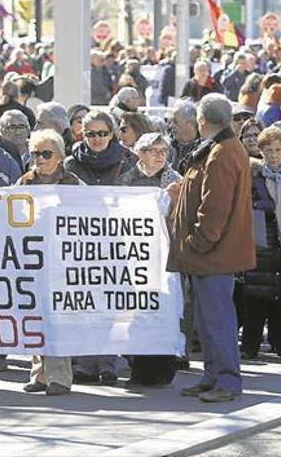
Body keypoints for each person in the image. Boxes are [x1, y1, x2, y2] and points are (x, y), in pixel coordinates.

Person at [168, 93, 256, 403]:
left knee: (217, 321)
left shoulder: (222, 153)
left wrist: (195, 243)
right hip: (210, 255)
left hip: (212, 255)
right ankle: (213, 375)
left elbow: (214, 210)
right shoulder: (223, 149)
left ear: (202, 121)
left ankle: (227, 381)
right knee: (208, 321)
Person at [64, 110, 137, 384]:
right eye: (90, 134)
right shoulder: (70, 164)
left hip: (118, 242)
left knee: (112, 304)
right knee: (84, 303)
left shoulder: (128, 161)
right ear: (81, 134)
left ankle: (108, 362)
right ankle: (84, 363)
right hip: (80, 244)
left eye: (102, 133)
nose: (96, 139)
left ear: (112, 134)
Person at [17, 130, 82, 396]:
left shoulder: (73, 184)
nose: (40, 159)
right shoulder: (24, 183)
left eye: (46, 154)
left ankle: (59, 378)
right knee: (35, 317)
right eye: (35, 153)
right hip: (32, 259)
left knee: (58, 320)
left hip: (61, 261)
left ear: (60, 156)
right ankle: (39, 374)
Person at [116, 132, 182, 386]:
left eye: (163, 151)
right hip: (135, 257)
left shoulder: (174, 181)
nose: (159, 156)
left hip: (165, 257)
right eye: (153, 150)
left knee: (163, 311)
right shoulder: (125, 181)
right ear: (140, 154)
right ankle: (139, 369)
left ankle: (164, 367)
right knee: (138, 312)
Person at [241, 127, 281, 359]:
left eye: (278, 150)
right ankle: (250, 345)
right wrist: (265, 207)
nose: (273, 155)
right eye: (268, 150)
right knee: (255, 296)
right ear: (260, 151)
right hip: (261, 241)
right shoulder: (253, 175)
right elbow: (247, 204)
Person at [168, 100, 201, 174]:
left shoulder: (204, 148)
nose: (171, 125)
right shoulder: (166, 146)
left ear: (191, 123)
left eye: (175, 121)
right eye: (170, 121)